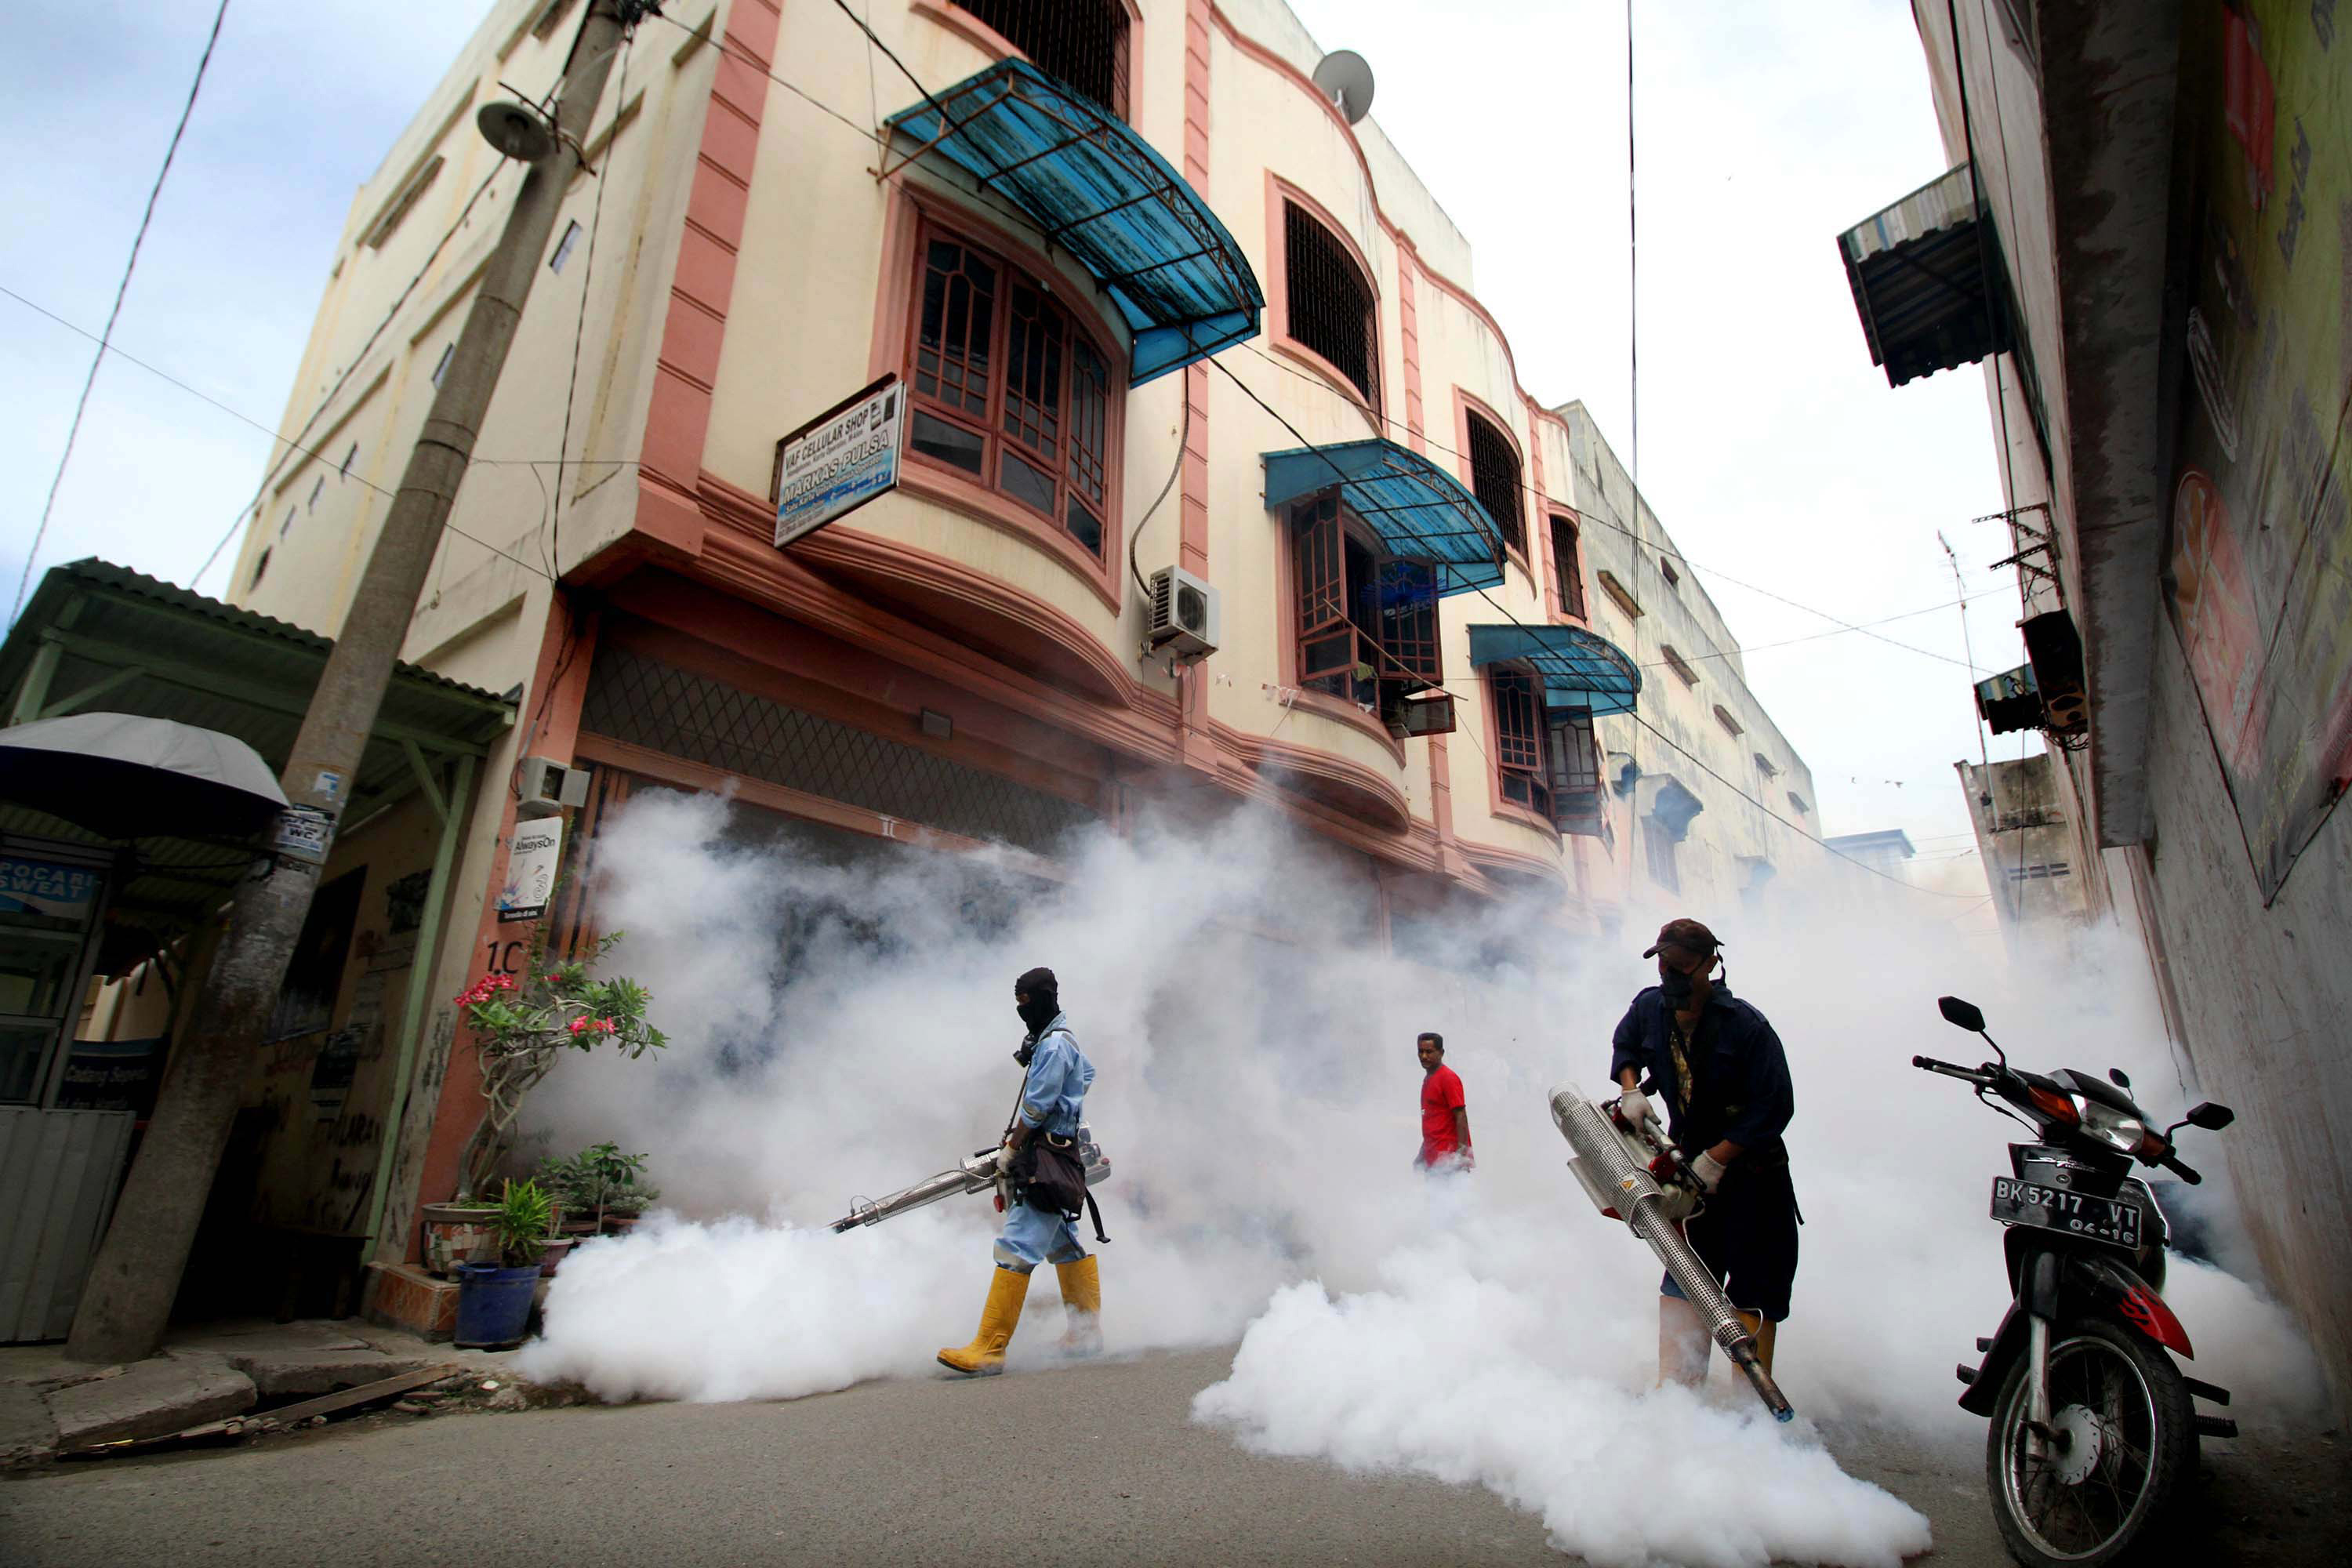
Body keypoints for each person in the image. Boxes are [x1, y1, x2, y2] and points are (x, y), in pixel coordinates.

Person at [1609, 918, 1797, 1385]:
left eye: (1682, 968)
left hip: (1754, 1178)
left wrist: (1719, 1158)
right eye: (1664, 967)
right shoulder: (1649, 1008)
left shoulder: (1746, 1026)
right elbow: (1625, 1044)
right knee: (1687, 1276)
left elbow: (1776, 1105)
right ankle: (1677, 1401)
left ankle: (1748, 1411)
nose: (1671, 979)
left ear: (1710, 965)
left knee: (1753, 1289)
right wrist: (1632, 1090)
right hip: (1688, 1176)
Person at [938, 966, 1101, 1376]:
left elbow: (1036, 1107)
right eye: (1018, 1006)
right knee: (1063, 1245)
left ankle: (990, 1348)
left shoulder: (1055, 1047)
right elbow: (1087, 1076)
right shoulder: (1056, 1042)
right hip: (1056, 1151)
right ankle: (1085, 1334)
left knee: (1017, 1243)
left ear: (1044, 998)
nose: (1022, 1012)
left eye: (1027, 1004)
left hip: (1045, 1155)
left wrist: (1013, 1147)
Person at [1414, 1032, 1473, 1171]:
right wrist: (1422, 1155)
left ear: (1441, 1053)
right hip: (1433, 1162)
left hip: (1449, 1162)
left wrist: (1461, 1157)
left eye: (1429, 1052)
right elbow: (1434, 1124)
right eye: (1420, 1051)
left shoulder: (1448, 1078)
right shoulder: (1428, 1080)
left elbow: (1461, 1116)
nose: (1424, 1056)